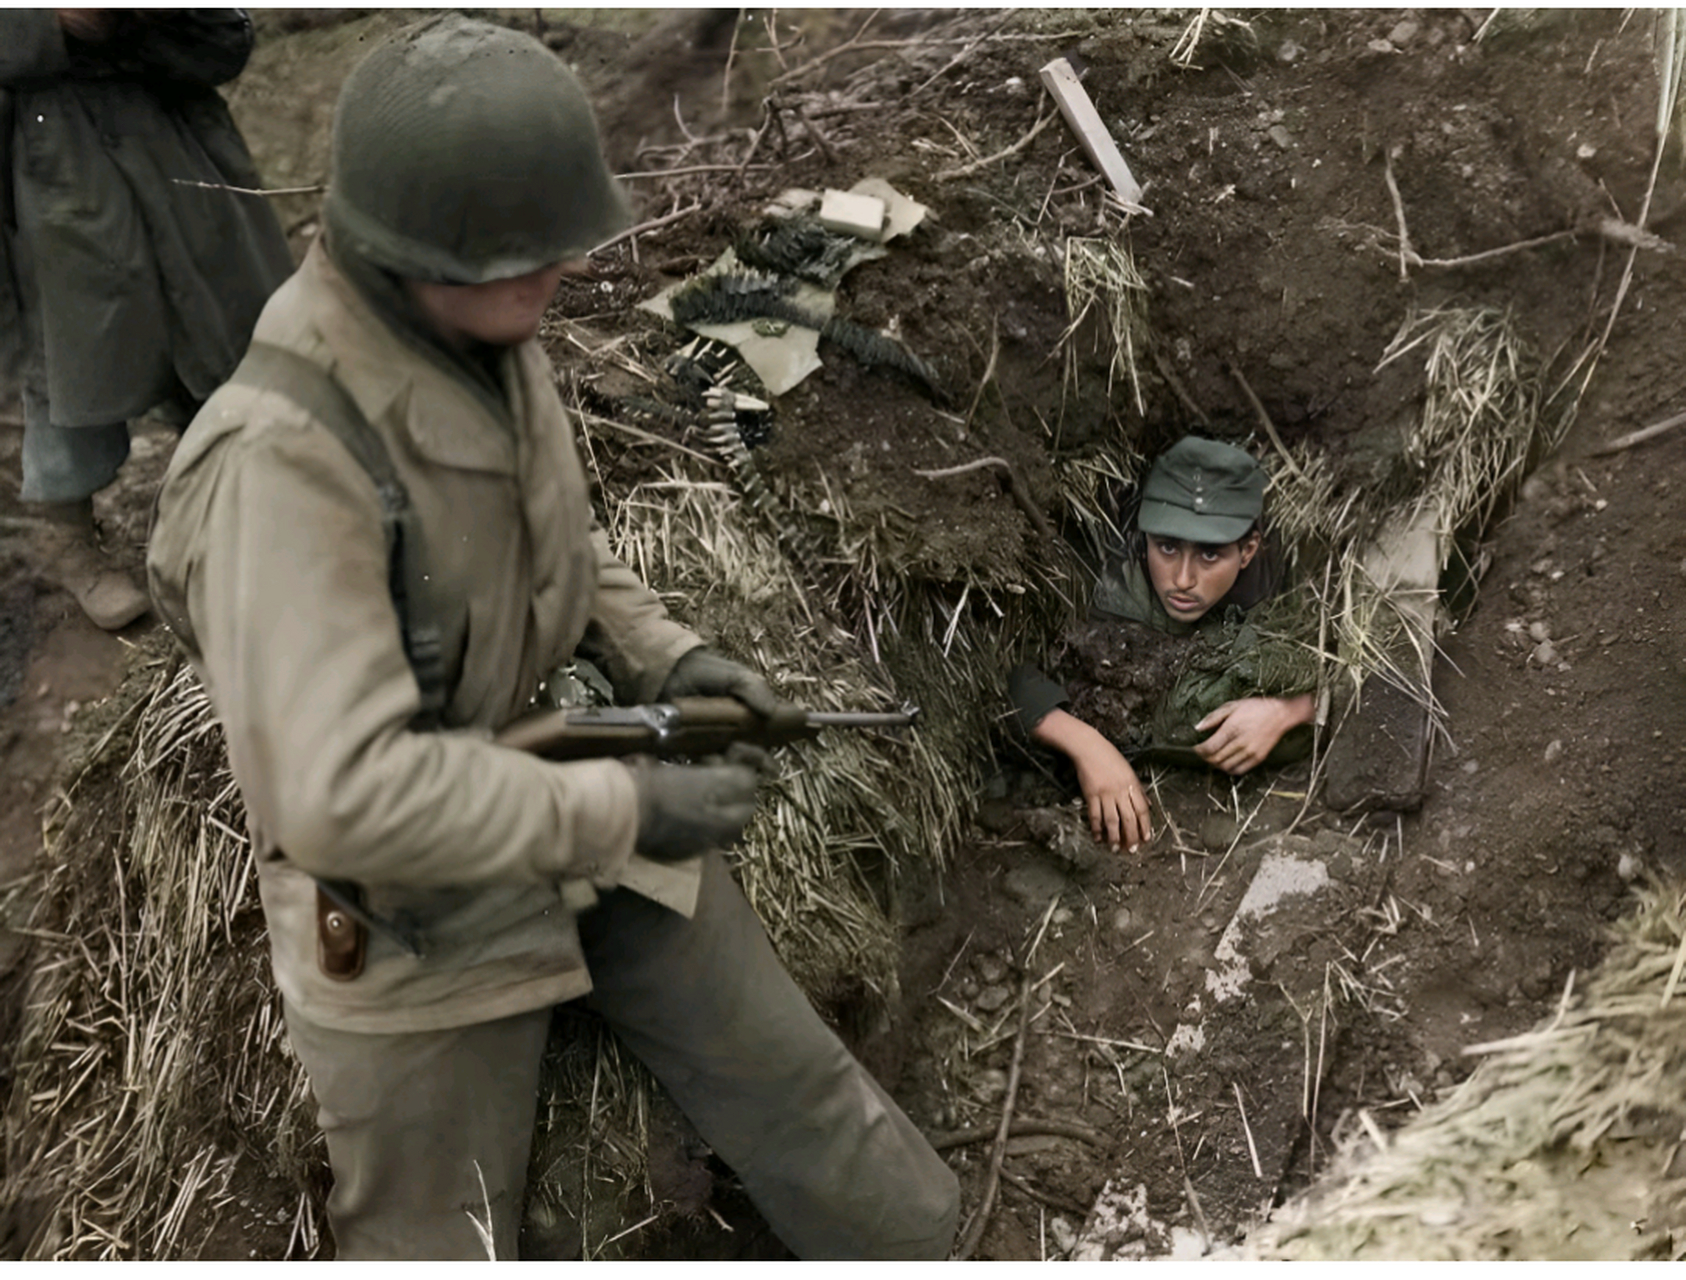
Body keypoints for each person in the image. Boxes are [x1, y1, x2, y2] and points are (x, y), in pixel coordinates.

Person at [145, 15, 957, 1261]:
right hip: (416, 914)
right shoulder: (280, 469)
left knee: (803, 1090)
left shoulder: (475, 325)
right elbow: (339, 796)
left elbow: (547, 538)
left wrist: (663, 654)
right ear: (408, 251)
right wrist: (630, 806)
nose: (561, 277)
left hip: (563, 779)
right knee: (440, 1235)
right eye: (525, 256)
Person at [0, 8, 293, 630]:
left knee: (215, 323)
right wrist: (47, 26)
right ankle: (67, 539)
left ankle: (231, 493)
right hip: (44, 160)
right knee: (69, 353)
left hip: (170, 139)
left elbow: (224, 41)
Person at [1008, 435, 1320, 854]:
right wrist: (1084, 744)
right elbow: (997, 665)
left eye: (1210, 556)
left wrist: (1288, 711)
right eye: (1167, 547)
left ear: (1247, 551)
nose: (1184, 579)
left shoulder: (1291, 585)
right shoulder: (1094, 565)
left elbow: (1361, 669)